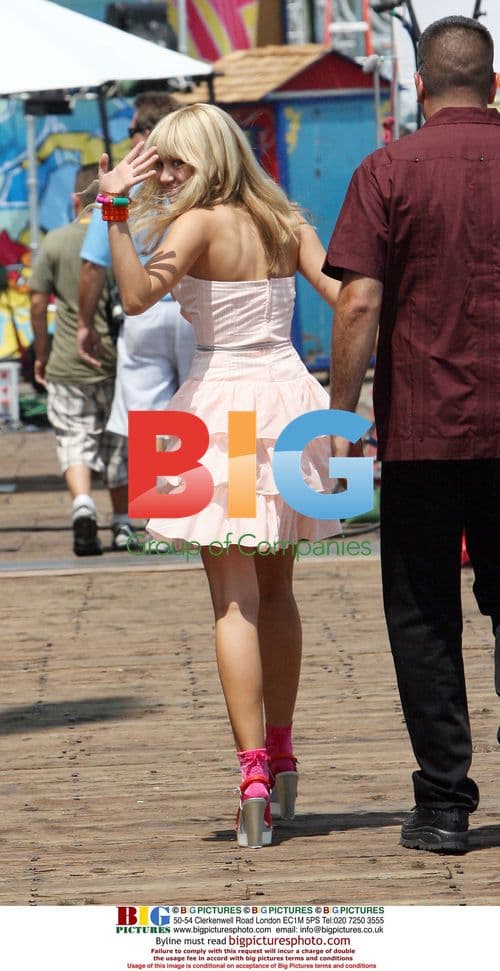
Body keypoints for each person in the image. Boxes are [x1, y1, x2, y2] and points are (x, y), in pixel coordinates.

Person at [96, 102, 341, 848]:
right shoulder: (287, 221)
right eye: (158, 162)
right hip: (293, 401)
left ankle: (254, 774)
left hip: (219, 405)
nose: (165, 175)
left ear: (211, 159)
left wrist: (113, 206)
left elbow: (137, 296)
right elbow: (349, 298)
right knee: (280, 590)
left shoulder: (197, 224)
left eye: (175, 162)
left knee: (231, 601)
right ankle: (287, 751)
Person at [323, 15, 500, 854]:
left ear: (420, 87)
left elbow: (358, 302)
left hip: (423, 431)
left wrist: (343, 413)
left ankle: (443, 805)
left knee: (425, 615)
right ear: (494, 85)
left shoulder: (385, 169)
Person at [78, 91, 195, 458]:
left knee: (148, 420)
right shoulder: (195, 179)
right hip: (198, 310)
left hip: (144, 310)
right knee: (205, 411)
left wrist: (85, 323)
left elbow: (93, 265)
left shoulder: (122, 184)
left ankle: (158, 510)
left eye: (131, 128)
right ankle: (211, 505)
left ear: (145, 132)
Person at [30, 165, 137, 556]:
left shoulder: (55, 243)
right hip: (115, 359)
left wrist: (41, 352)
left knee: (74, 437)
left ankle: (82, 505)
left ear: (76, 200)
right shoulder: (119, 237)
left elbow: (39, 301)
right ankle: (123, 523)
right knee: (117, 441)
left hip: (67, 362)